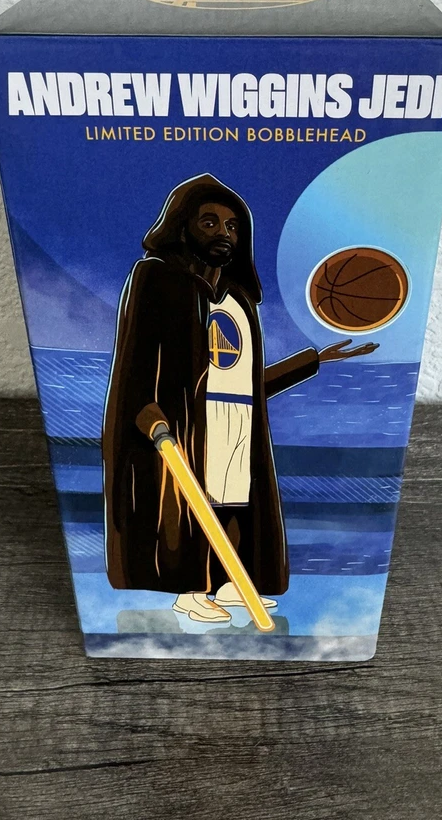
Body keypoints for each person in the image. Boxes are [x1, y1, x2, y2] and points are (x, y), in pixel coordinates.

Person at [102, 174, 377, 622]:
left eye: (232, 226)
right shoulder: (156, 279)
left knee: (235, 500)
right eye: (209, 222)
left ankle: (232, 581)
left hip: (238, 422)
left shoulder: (239, 300)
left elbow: (243, 383)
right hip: (188, 421)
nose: (224, 234)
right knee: (187, 504)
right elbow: (136, 361)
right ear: (182, 226)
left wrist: (313, 360)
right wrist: (150, 416)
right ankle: (189, 590)